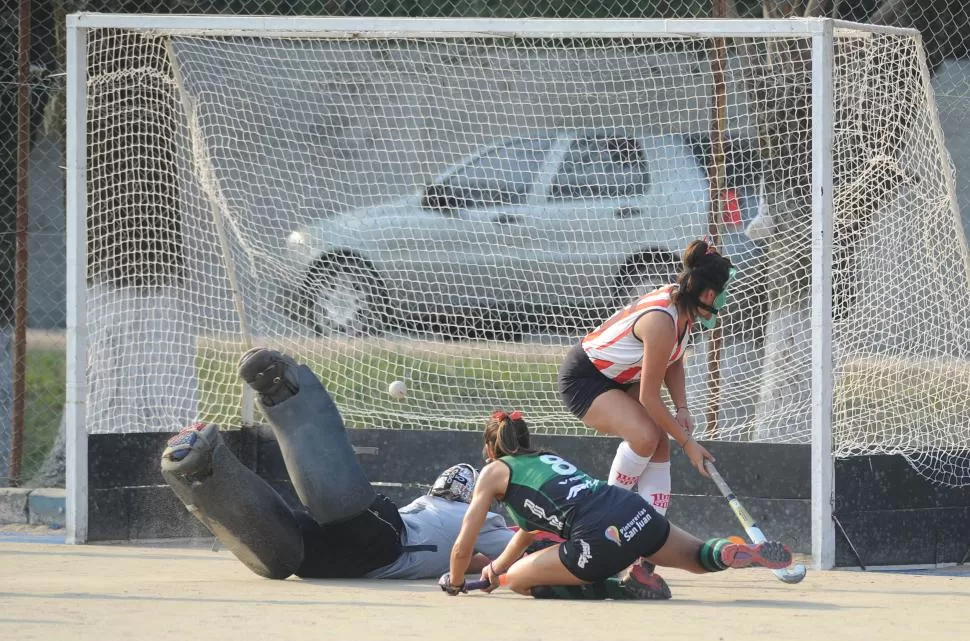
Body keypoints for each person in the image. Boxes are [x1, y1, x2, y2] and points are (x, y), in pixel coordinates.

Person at [160, 347, 514, 580]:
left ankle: (204, 469)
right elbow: (515, 552)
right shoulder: (479, 517)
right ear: (472, 495)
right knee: (336, 510)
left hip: (356, 558)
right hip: (382, 549)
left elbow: (456, 552)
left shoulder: (427, 507)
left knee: (288, 545)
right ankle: (276, 401)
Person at [443, 411, 792, 600]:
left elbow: (463, 545)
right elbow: (526, 533)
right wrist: (494, 570)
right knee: (700, 559)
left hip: (599, 537)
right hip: (633, 510)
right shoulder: (545, 459)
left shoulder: (493, 472)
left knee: (517, 582)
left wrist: (457, 581)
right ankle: (728, 551)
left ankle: (623, 587)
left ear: (490, 451)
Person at [557, 239, 735, 580]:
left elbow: (673, 360)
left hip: (620, 375)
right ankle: (604, 527)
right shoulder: (661, 321)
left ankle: (647, 548)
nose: (724, 300)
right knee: (645, 436)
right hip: (586, 378)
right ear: (709, 295)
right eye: (724, 293)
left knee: (659, 442)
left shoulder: (683, 308)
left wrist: (682, 408)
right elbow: (650, 398)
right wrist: (689, 444)